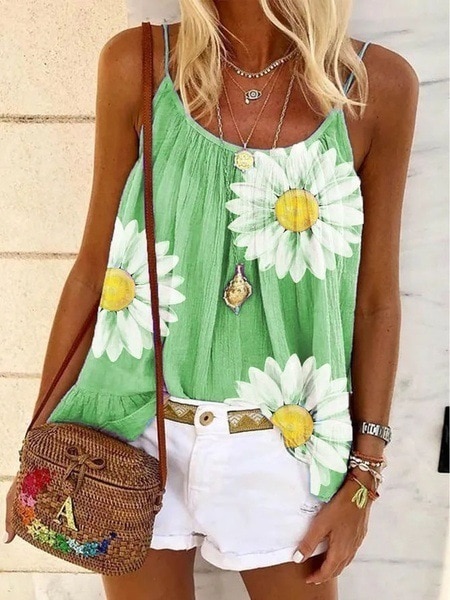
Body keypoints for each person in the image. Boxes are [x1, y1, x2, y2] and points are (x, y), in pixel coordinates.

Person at [4, 1, 419, 598]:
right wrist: (39, 446)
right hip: (130, 432)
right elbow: (93, 272)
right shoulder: (138, 65)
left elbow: (375, 300)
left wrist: (364, 479)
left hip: (287, 443)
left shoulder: (377, 86)